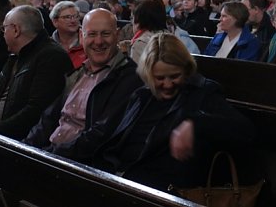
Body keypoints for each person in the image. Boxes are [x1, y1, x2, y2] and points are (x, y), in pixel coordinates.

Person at [92, 33, 254, 190]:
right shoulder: (143, 95)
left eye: (175, 76)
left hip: (167, 191)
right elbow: (110, 132)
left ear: (186, 70)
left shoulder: (203, 92)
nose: (168, 85)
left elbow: (246, 131)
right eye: (160, 78)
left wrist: (195, 123)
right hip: (123, 180)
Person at [23, 9, 143, 163]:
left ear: (117, 35)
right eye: (91, 34)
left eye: (105, 34)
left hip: (79, 167)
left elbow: (100, 135)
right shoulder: (78, 73)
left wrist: (49, 154)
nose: (98, 41)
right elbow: (48, 118)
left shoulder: (129, 77)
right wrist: (27, 147)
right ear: (82, 36)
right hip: (51, 157)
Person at [0, 5, 73, 140]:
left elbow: (35, 111)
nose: (3, 33)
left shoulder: (51, 57)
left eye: (4, 28)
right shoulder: (15, 55)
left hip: (16, 142)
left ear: (15, 30)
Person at [50, 0, 84, 68]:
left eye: (76, 16)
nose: (73, 21)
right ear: (55, 22)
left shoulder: (88, 42)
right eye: (67, 17)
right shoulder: (48, 45)